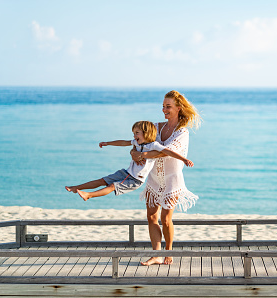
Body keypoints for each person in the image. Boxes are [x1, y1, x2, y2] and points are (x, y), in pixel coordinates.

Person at [130, 90, 201, 266]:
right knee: (151, 217)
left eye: (168, 106)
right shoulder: (156, 127)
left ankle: (168, 251)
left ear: (178, 108)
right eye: (163, 106)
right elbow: (138, 141)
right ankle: (156, 254)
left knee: (166, 219)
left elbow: (164, 151)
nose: (164, 109)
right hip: (154, 178)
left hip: (171, 179)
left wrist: (142, 155)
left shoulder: (182, 133)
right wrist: (134, 153)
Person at [65, 120, 193, 201]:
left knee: (111, 186)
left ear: (146, 133)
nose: (134, 136)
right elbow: (123, 142)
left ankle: (89, 195)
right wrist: (107, 143)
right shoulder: (136, 143)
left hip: (134, 179)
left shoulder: (153, 145)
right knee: (102, 180)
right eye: (134, 133)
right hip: (126, 173)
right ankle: (76, 187)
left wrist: (184, 159)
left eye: (137, 133)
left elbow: (168, 151)